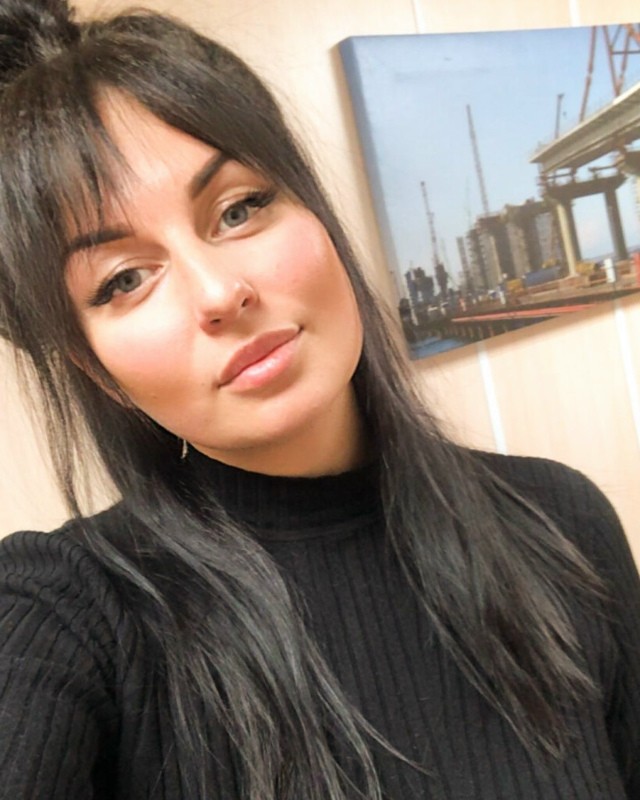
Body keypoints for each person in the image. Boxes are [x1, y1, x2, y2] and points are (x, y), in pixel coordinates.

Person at [0, 2, 638, 798]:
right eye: (124, 279)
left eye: (239, 209)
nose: (220, 293)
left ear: (313, 210)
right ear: (95, 370)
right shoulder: (63, 614)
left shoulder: (563, 522)